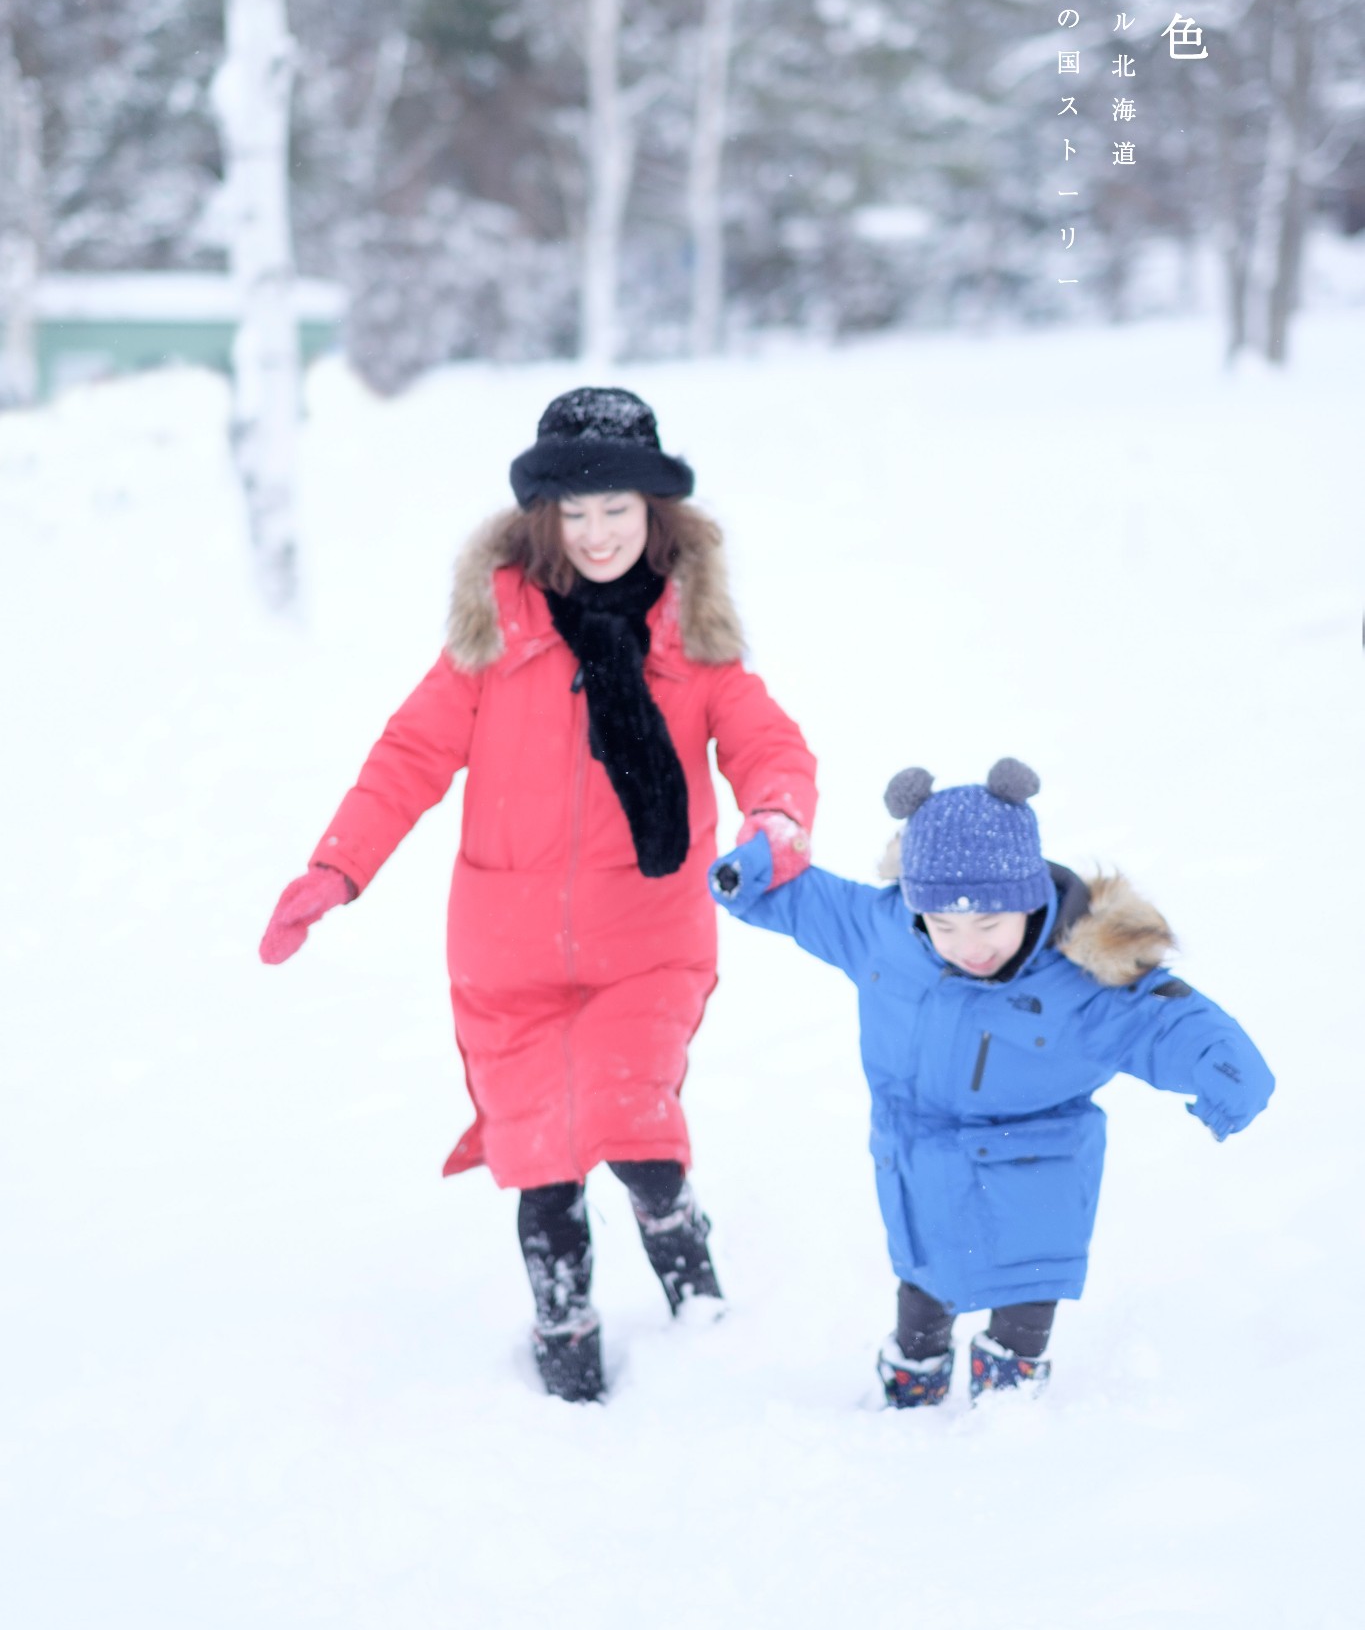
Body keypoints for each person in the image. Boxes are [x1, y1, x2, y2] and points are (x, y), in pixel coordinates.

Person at [260, 390, 817, 1403]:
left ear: (656, 511)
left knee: (630, 1118)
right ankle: (565, 1336)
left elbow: (767, 745)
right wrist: (335, 868)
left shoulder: (694, 638)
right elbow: (409, 754)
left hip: (649, 938)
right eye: (576, 511)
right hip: (506, 947)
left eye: (618, 508)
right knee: (542, 1155)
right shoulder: (495, 635)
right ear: (543, 519)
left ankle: (686, 1265)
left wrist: (777, 817)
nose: (598, 532)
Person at [709, 757, 1273, 1406]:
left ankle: (1009, 1416)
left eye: (988, 924)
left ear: (1027, 901)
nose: (967, 945)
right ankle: (909, 1393)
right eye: (943, 925)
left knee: (1024, 1301)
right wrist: (747, 873)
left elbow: (1163, 1017)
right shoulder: (885, 933)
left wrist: (1226, 1072)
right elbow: (804, 900)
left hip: (1035, 1174)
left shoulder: (1079, 978)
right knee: (922, 1287)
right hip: (917, 1164)